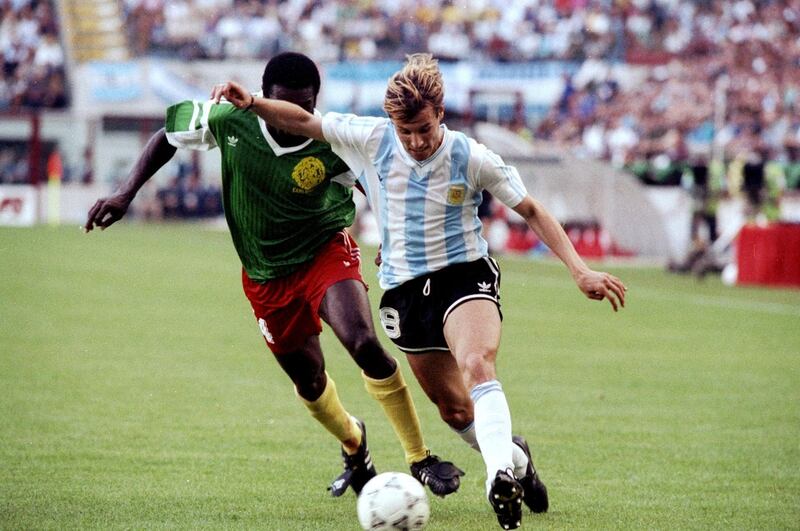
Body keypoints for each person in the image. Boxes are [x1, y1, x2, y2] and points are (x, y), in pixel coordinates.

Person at [213, 52, 628, 530]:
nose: (415, 142)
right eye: (406, 131)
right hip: (407, 293)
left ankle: (499, 480)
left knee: (477, 363)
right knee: (453, 410)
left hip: (463, 274)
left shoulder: (470, 157)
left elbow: (532, 210)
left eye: (425, 130)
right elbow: (304, 120)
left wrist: (579, 271)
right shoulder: (370, 139)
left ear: (440, 116)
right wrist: (255, 103)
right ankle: (516, 458)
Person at [84, 52, 464, 500]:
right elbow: (168, 135)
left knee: (363, 342)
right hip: (264, 275)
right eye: (285, 106)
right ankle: (353, 442)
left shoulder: (333, 138)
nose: (292, 120)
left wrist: (390, 239)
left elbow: (380, 185)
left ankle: (419, 457)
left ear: (315, 102)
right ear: (265, 97)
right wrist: (125, 193)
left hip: (324, 249)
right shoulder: (229, 119)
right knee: (310, 380)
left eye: (303, 109)